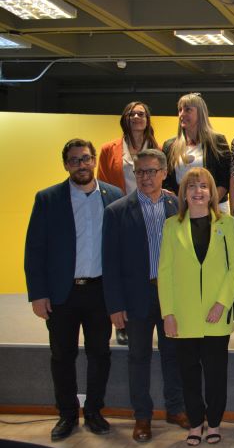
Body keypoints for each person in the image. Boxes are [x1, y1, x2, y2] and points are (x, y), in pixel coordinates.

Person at [24, 138, 124, 441]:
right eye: (75, 160)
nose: (81, 164)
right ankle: (67, 414)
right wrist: (38, 294)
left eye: (86, 158)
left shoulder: (114, 196)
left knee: (100, 354)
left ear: (94, 160)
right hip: (61, 293)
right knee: (62, 355)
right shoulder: (48, 199)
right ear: (66, 165)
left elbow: (122, 250)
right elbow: (35, 249)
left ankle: (93, 411)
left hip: (100, 292)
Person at [101, 148, 190, 442]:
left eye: (152, 171)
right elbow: (110, 263)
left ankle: (176, 409)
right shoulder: (116, 211)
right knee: (138, 357)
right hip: (135, 297)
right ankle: (142, 416)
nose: (145, 177)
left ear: (164, 173)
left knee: (173, 355)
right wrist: (115, 305)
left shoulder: (177, 206)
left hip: (172, 297)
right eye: (140, 172)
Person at [158, 167, 234, 446]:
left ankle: (214, 422)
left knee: (216, 375)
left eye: (203, 186)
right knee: (189, 374)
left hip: (216, 314)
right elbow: (165, 273)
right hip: (183, 316)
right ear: (183, 194)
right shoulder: (172, 226)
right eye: (192, 186)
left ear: (212, 193)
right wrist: (168, 313)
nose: (198, 191)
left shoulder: (226, 223)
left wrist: (222, 303)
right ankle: (195, 423)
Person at [97, 100, 160, 346]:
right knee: (123, 267)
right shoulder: (108, 149)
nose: (136, 117)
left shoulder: (156, 148)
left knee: (149, 267)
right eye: (132, 113)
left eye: (141, 113)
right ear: (125, 118)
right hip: (123, 213)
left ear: (147, 119)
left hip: (150, 212)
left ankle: (152, 318)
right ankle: (122, 324)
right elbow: (103, 183)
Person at [162, 92, 232, 213]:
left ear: (200, 113)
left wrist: (208, 203)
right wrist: (180, 204)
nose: (182, 114)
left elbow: (225, 179)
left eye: (188, 110)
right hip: (181, 208)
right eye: (180, 110)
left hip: (215, 207)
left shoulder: (217, 141)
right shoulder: (169, 145)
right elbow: (166, 181)